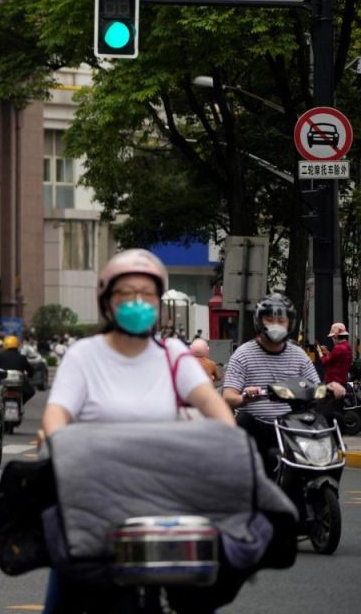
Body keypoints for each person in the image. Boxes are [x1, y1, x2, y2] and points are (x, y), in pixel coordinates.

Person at [40, 249, 234, 612]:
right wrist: (58, 441)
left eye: (146, 294)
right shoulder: (84, 355)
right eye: (126, 293)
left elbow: (213, 405)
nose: (137, 302)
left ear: (158, 303)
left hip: (164, 493)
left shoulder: (173, 354)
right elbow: (57, 412)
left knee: (205, 579)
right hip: (96, 492)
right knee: (68, 572)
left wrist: (230, 440)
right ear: (106, 301)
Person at [222, 294, 345, 477]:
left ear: (290, 323)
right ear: (259, 322)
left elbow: (315, 386)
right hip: (260, 426)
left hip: (294, 426)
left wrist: (332, 388)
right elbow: (228, 396)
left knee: (334, 421)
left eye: (281, 320)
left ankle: (328, 487)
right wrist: (246, 397)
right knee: (243, 421)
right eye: (269, 319)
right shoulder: (243, 354)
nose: (276, 324)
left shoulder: (298, 354)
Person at [0, 335, 36, 405]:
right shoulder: (22, 357)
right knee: (31, 392)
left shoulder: (0, 356)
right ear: (17, 345)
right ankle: (21, 403)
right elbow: (31, 370)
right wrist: (30, 375)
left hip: (3, 383)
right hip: (18, 384)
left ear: (5, 344)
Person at [317, 322, 352, 390]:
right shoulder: (347, 346)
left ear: (335, 336)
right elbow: (335, 359)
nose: (332, 339)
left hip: (333, 383)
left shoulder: (338, 348)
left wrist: (320, 352)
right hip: (342, 382)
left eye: (332, 337)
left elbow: (324, 362)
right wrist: (327, 353)